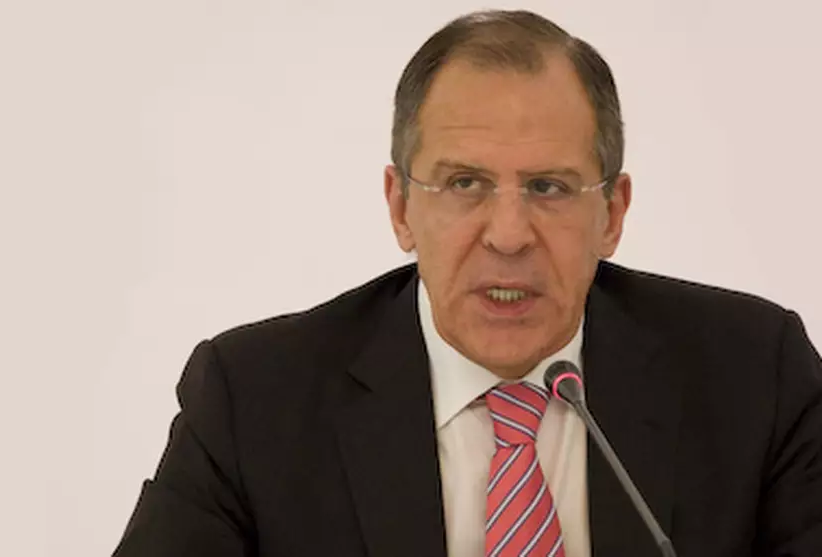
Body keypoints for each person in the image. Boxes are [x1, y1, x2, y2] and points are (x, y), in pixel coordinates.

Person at [112, 9, 822, 557]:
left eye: (548, 187)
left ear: (612, 214)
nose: (508, 234)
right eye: (463, 183)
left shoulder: (756, 376)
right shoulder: (254, 400)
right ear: (400, 207)